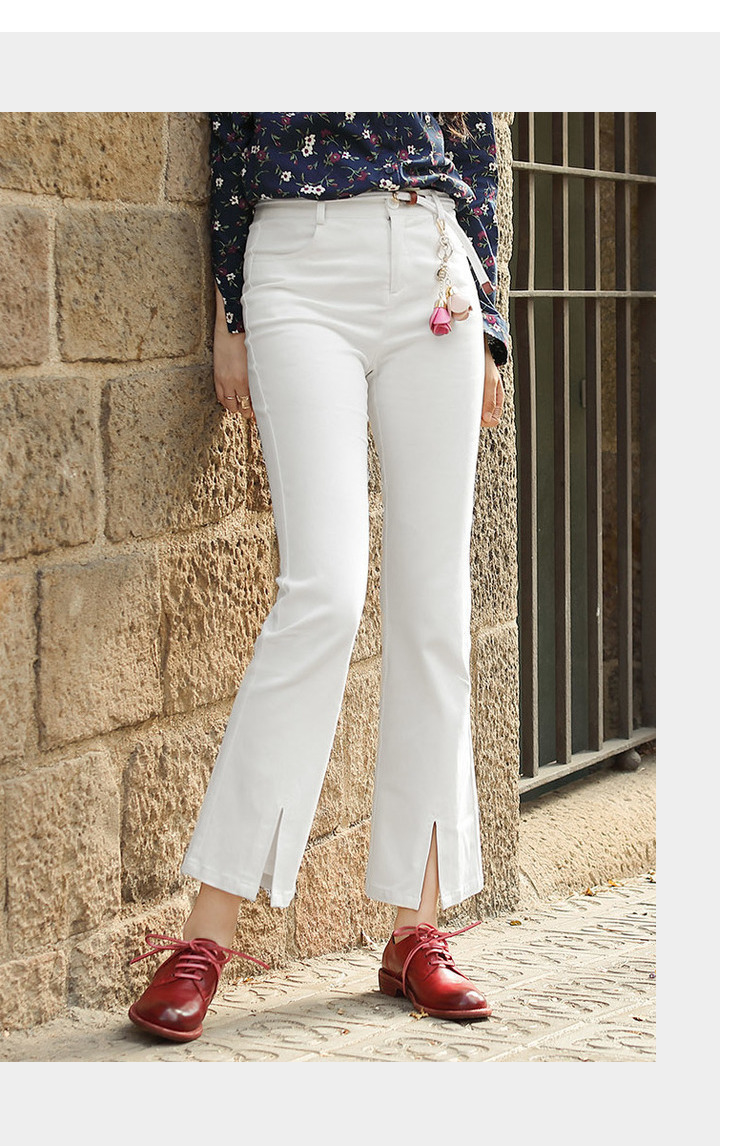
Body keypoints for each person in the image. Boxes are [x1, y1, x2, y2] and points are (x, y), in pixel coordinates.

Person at [127, 112, 509, 1043]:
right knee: (324, 595)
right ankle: (207, 936)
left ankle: (415, 930)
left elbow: (474, 143)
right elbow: (231, 141)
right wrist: (230, 311)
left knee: (433, 611)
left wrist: (491, 325)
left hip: (431, 262)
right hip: (295, 263)